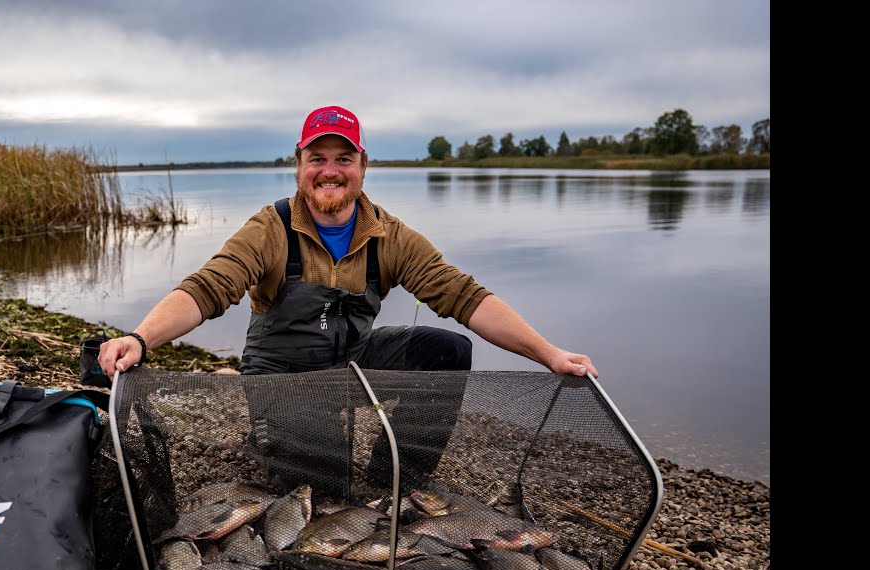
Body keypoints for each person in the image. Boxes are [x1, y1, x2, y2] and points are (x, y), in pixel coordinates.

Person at [97, 105, 597, 494]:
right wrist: (141, 338)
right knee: (326, 488)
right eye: (317, 159)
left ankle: (396, 478)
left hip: (352, 365)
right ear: (299, 166)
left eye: (343, 159)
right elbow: (209, 288)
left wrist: (549, 354)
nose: (330, 171)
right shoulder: (269, 229)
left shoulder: (390, 235)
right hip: (283, 380)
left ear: (362, 166)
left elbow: (466, 297)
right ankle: (273, 436)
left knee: (447, 349)